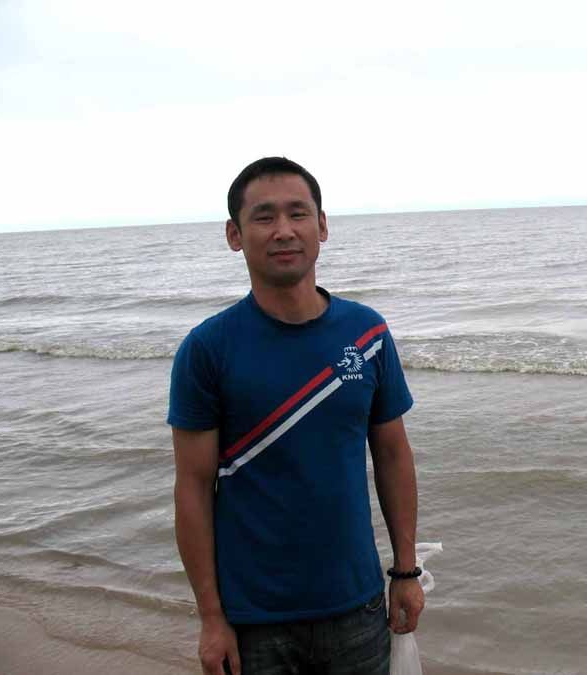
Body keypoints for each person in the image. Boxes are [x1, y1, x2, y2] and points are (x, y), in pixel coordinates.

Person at [168, 157, 424, 675]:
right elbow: (192, 487)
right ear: (235, 235)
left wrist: (405, 571)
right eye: (264, 217)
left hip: (357, 607)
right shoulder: (207, 349)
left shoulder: (367, 334)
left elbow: (393, 455)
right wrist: (212, 617)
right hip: (253, 620)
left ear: (322, 226)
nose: (283, 230)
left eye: (298, 213)